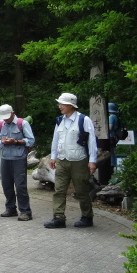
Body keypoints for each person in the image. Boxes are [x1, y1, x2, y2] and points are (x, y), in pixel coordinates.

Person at [44, 93, 98, 229]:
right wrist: (53, 156)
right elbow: (55, 139)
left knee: (81, 190)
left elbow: (92, 141)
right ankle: (58, 217)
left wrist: (92, 160)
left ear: (70, 105)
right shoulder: (59, 120)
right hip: (62, 160)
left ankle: (87, 217)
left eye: (62, 104)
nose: (59, 106)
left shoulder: (83, 120)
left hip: (79, 160)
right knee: (59, 190)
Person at [0, 104, 35, 221]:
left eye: (7, 117)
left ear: (13, 113)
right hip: (5, 157)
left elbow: (31, 141)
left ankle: (25, 211)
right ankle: (10, 208)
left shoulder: (22, 123)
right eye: (4, 117)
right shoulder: (1, 124)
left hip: (19, 158)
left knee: (20, 185)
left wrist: (16, 141)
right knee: (6, 185)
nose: (6, 119)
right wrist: (2, 142)